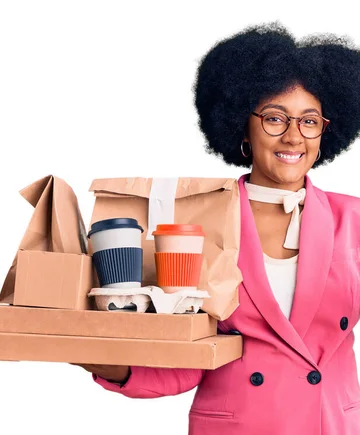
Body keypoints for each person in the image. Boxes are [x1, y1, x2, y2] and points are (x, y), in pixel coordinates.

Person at [72, 23, 360, 434]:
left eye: (309, 121)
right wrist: (85, 349)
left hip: (330, 424)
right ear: (242, 124)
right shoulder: (200, 221)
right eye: (275, 118)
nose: (294, 136)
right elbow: (188, 360)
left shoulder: (354, 221)